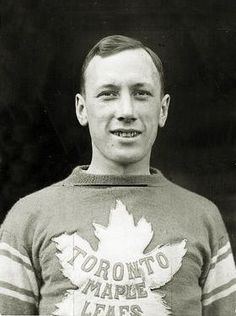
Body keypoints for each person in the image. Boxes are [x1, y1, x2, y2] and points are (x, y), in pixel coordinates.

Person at [0, 35, 235, 316]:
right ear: (82, 108)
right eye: (108, 93)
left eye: (141, 93)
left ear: (163, 109)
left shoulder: (203, 218)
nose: (126, 111)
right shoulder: (27, 219)